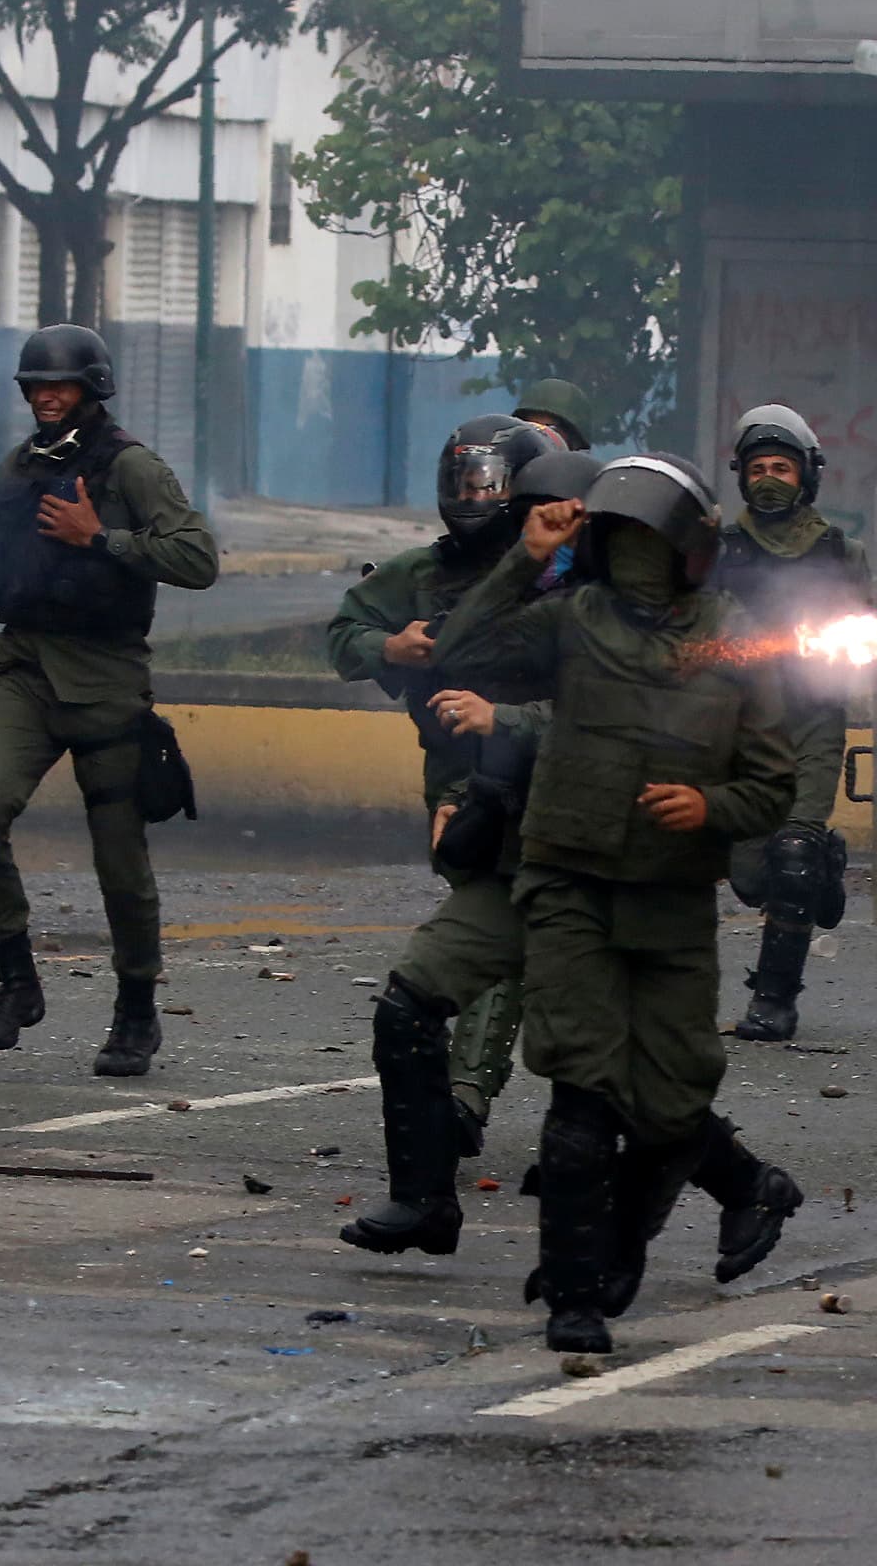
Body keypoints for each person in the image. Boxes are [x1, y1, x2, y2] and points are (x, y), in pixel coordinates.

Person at [429, 452, 796, 1354]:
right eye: (616, 540)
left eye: (646, 542)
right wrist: (525, 554)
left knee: (673, 1103)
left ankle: (657, 1230)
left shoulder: (735, 639)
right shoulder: (574, 621)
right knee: (582, 1094)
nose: (632, 561)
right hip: (571, 883)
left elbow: (773, 781)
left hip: (672, 898)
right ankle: (575, 1296)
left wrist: (712, 807)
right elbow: (461, 649)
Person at [0, 324, 218, 1075]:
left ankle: (136, 1011)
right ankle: (16, 980)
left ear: (91, 389)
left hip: (104, 681)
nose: (45, 397)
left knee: (120, 864)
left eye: (59, 386)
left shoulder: (132, 467)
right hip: (29, 671)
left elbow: (199, 559)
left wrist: (102, 539)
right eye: (35, 386)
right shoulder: (21, 465)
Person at [324, 417, 565, 1254]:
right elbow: (345, 631)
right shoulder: (424, 574)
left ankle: (736, 1183)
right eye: (462, 483)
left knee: (596, 1043)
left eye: (489, 486)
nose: (473, 500)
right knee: (413, 1000)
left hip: (580, 827)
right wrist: (392, 643)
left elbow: (618, 707)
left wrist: (511, 718)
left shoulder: (572, 587)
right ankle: (427, 1193)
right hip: (483, 807)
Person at [713, 404, 872, 1043]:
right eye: (758, 468)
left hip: (811, 718)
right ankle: (828, 867)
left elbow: (866, 630)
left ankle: (774, 1003)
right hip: (738, 728)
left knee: (792, 857)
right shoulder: (719, 550)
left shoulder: (840, 552)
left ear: (807, 476)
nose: (769, 479)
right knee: (750, 878)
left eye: (782, 467)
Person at [513, 378, 594, 453]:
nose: (534, 438)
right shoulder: (503, 463)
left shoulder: (584, 466)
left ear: (576, 445)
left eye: (548, 432)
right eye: (527, 427)